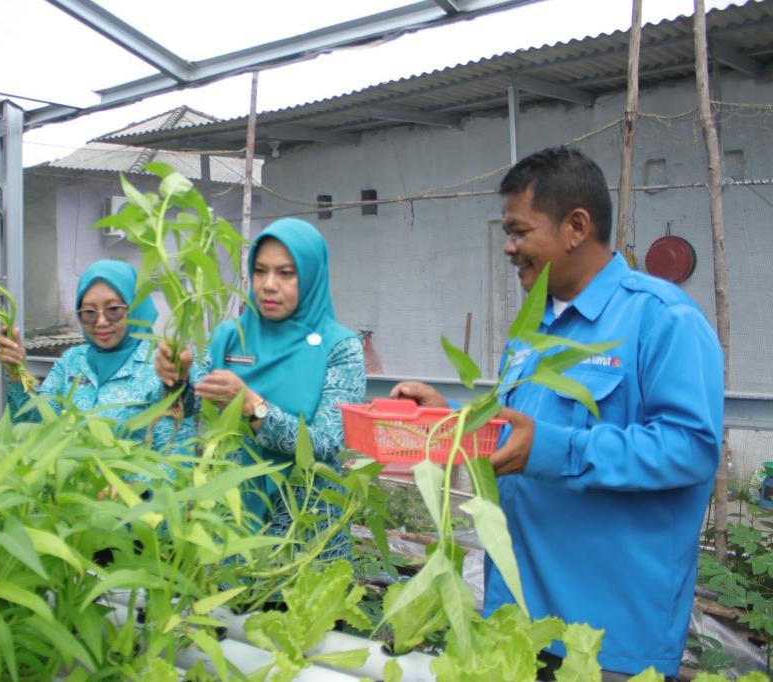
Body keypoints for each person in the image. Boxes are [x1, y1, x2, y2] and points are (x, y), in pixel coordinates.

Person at [392, 147, 722, 678]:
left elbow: (691, 448)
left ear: (575, 226)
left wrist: (552, 450)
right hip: (519, 617)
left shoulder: (662, 318)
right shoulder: (534, 326)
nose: (509, 247)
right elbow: (517, 429)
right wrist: (452, 421)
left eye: (520, 231)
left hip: (605, 638)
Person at [155, 218, 366, 553]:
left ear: (311, 275)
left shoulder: (339, 347)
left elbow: (328, 446)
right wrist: (177, 378)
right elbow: (190, 410)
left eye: (286, 273)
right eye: (260, 271)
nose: (269, 285)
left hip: (304, 536)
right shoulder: (229, 336)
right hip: (228, 525)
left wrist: (254, 406)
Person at [0, 259, 192, 451]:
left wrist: (131, 485)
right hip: (72, 483)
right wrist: (16, 371)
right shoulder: (72, 362)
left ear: (134, 307)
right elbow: (38, 426)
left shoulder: (161, 364)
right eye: (89, 312)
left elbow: (174, 450)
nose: (101, 322)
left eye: (113, 309)